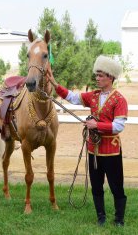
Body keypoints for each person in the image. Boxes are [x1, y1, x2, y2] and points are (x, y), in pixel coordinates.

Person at [46, 55, 128, 226]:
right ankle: (101, 217)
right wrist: (55, 84)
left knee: (116, 187)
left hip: (111, 151)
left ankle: (119, 219)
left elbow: (119, 126)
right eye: (96, 75)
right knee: (96, 186)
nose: (97, 78)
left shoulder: (120, 99)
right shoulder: (93, 95)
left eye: (101, 75)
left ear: (110, 77)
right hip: (94, 150)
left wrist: (96, 124)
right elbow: (73, 97)